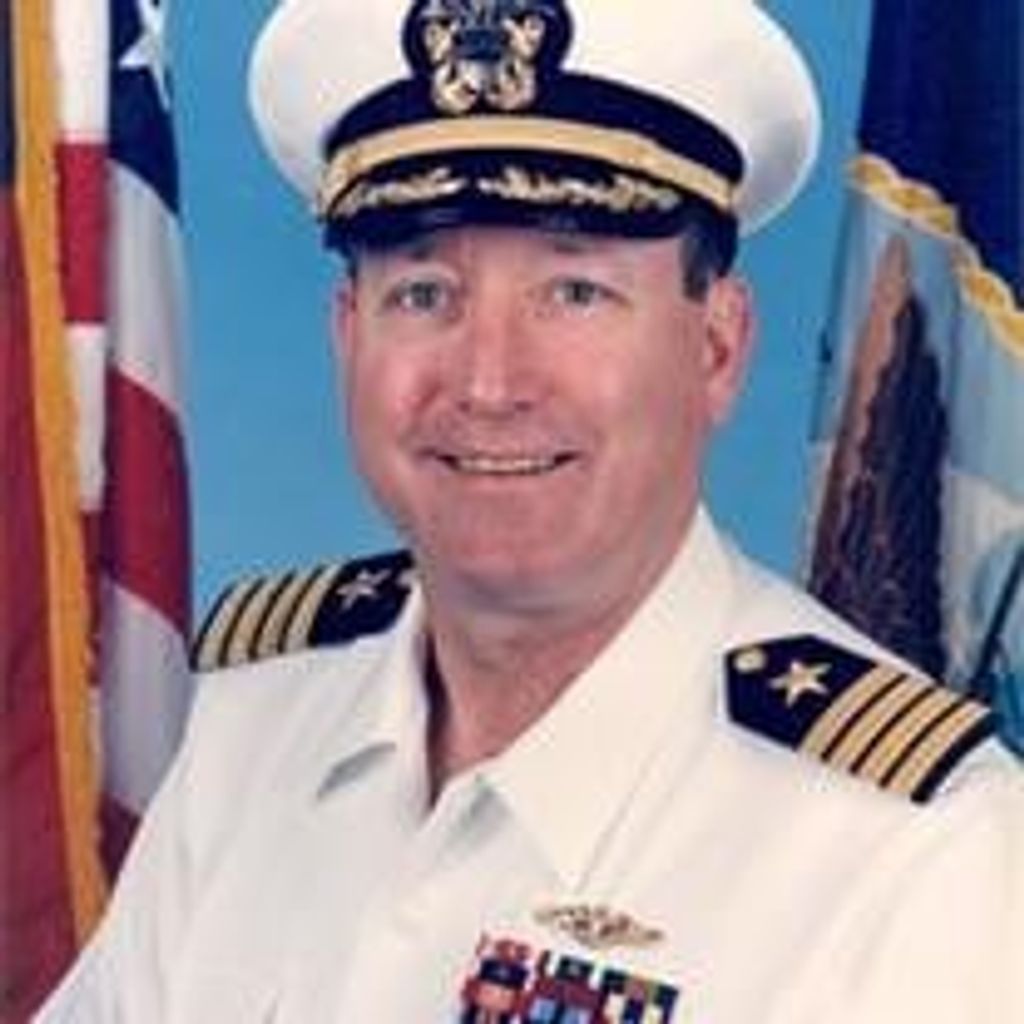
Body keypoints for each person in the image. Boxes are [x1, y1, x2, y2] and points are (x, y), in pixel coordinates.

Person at [36, 1, 1024, 1021]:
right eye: (425, 294)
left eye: (574, 293)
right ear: (347, 334)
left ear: (716, 348)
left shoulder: (917, 859)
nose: (489, 382)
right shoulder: (254, 718)